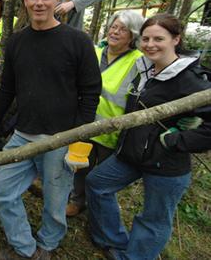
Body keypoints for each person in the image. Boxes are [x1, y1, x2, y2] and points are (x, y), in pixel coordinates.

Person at [0, 0, 102, 259]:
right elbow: (7, 89)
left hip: (61, 137)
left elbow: (91, 93)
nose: (39, 2)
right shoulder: (17, 41)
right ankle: (26, 249)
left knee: (55, 204)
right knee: (4, 194)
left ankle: (48, 245)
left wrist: (80, 140)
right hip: (23, 134)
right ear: (25, 0)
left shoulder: (78, 41)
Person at [86, 13, 211, 260]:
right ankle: (113, 241)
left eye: (158, 38)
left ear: (176, 39)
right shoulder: (145, 69)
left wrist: (177, 141)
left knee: (153, 219)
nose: (150, 44)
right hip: (132, 153)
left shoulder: (191, 80)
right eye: (145, 38)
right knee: (97, 183)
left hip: (166, 163)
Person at [66, 10, 144, 217]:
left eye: (123, 29)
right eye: (113, 27)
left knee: (103, 176)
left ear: (133, 35)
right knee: (81, 165)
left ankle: (98, 209)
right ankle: (76, 200)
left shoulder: (139, 61)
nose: (115, 32)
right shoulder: (94, 50)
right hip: (85, 122)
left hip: (113, 129)